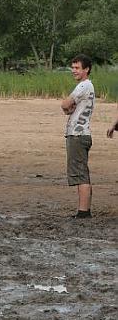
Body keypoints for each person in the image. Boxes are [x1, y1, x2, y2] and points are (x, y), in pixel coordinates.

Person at [61, 54, 95, 219]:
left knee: (80, 174)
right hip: (82, 133)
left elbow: (65, 104)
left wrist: (67, 106)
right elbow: (68, 108)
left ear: (86, 69)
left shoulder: (83, 86)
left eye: (77, 68)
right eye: (72, 67)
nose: (73, 71)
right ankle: (84, 209)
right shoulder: (87, 87)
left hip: (78, 134)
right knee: (83, 172)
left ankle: (83, 212)